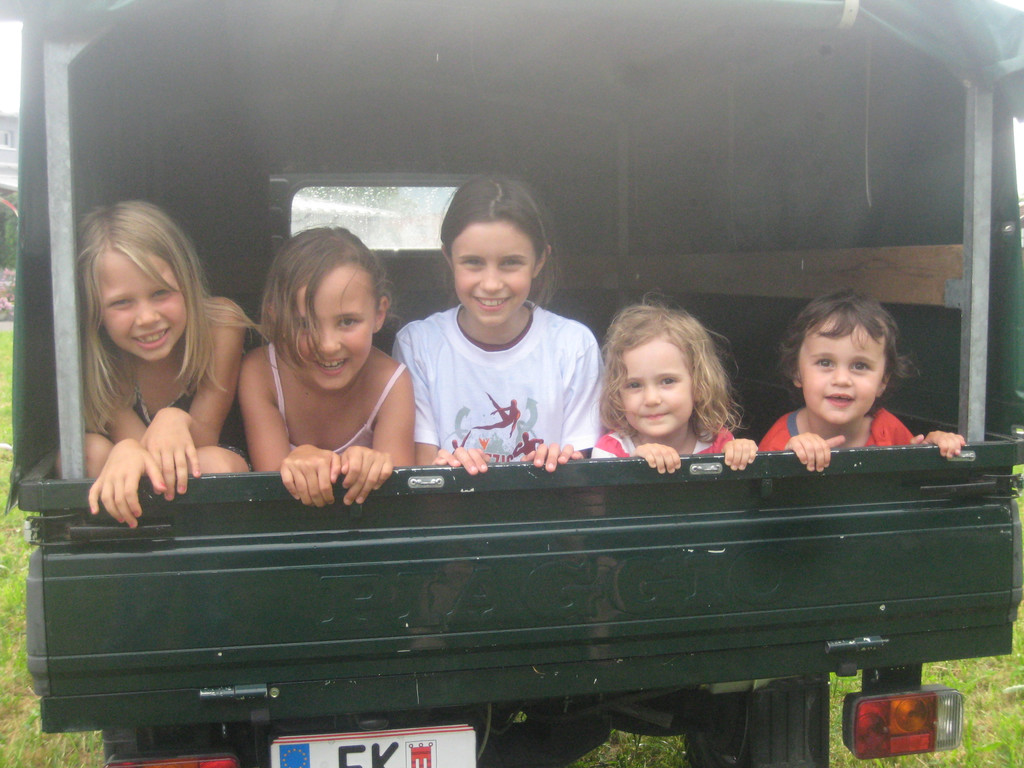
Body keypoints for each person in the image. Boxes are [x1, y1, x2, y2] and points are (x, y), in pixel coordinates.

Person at [392, 175, 602, 473]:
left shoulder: (574, 346)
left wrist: (560, 465)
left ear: (539, 261)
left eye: (510, 263)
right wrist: (448, 468)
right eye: (473, 262)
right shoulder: (418, 345)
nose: (491, 284)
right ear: (449, 258)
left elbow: (584, 471)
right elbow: (421, 469)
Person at [78, 200, 251, 526]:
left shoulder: (221, 324)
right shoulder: (101, 361)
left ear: (186, 282)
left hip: (211, 467)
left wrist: (174, 418)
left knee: (215, 463)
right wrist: (126, 449)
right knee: (90, 450)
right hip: (149, 481)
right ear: (96, 311)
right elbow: (146, 457)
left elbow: (203, 439)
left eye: (160, 293)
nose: (147, 318)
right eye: (122, 302)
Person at [239, 227, 414, 506]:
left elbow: (401, 501)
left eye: (347, 321)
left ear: (379, 314)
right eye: (305, 324)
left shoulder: (391, 383)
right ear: (275, 317)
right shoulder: (262, 373)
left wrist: (376, 467)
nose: (327, 345)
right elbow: (271, 496)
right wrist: (296, 462)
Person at [759, 289, 965, 471]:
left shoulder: (888, 430)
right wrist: (788, 460)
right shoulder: (780, 440)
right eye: (825, 362)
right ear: (797, 372)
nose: (842, 379)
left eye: (860, 366)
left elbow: (912, 482)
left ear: (883, 381)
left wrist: (935, 449)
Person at [592, 303, 757, 472]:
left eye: (667, 381)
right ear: (617, 395)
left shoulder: (718, 443)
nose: (651, 399)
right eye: (634, 385)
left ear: (700, 386)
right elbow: (604, 489)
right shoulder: (610, 453)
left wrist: (740, 454)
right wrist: (635, 467)